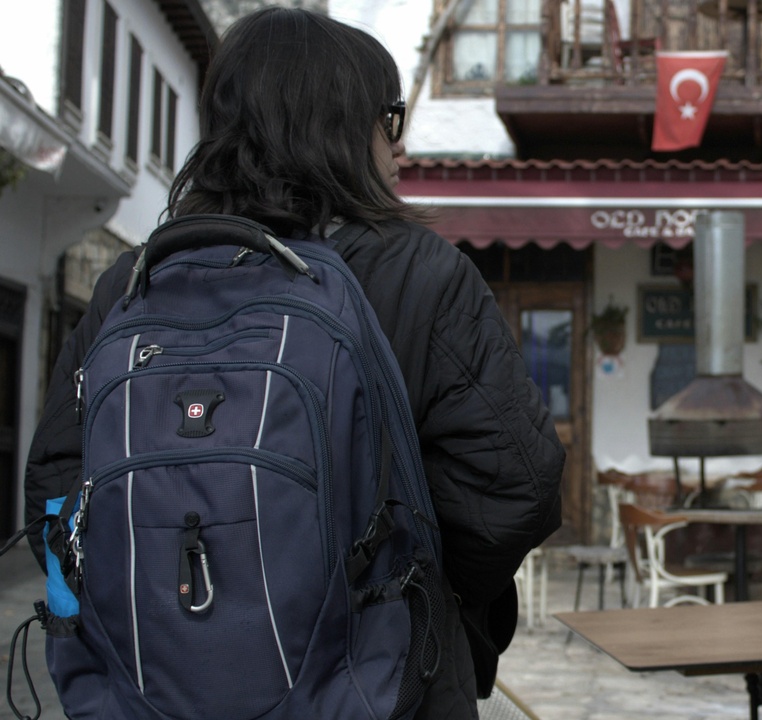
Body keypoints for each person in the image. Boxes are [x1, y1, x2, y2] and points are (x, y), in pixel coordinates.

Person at [23, 7, 565, 718]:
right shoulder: (419, 275)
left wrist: (178, 628)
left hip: (150, 693)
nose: (398, 148)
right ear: (343, 124)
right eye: (389, 119)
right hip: (381, 689)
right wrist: (398, 592)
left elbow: (57, 496)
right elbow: (516, 486)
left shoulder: (133, 285)